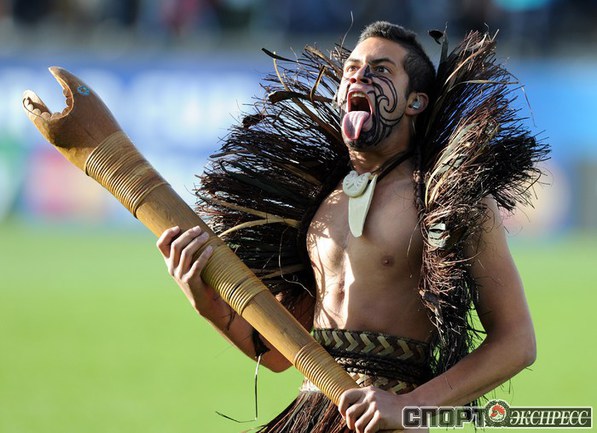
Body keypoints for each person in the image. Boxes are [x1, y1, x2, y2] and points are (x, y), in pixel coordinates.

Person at [156, 21, 541, 433]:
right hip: (310, 416)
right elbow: (279, 354)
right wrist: (206, 303)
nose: (359, 76)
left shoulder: (451, 201)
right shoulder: (318, 205)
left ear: (415, 102)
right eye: (352, 69)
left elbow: (517, 342)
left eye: (381, 69)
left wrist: (409, 407)